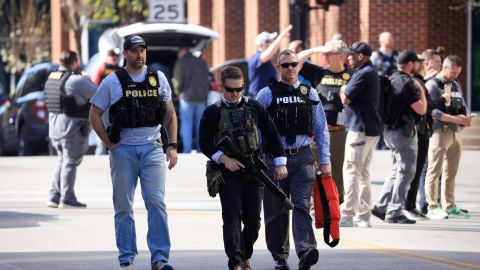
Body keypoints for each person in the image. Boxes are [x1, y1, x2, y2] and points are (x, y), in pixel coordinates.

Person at [89, 35, 178, 270]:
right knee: (123, 206)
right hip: (123, 151)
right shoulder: (113, 81)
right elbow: (94, 114)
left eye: (143, 50)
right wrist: (109, 144)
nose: (140, 54)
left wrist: (172, 145)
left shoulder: (157, 78)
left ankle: (160, 258)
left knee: (156, 202)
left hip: (153, 149)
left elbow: (169, 114)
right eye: (135, 50)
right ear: (125, 53)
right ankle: (126, 257)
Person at [199, 66, 287, 270]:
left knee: (254, 222)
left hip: (254, 171)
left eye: (239, 89)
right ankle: (236, 262)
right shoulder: (212, 112)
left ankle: (245, 254)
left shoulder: (254, 107)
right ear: (222, 87)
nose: (235, 94)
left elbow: (272, 134)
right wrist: (223, 159)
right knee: (231, 218)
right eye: (231, 90)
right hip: (227, 173)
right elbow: (204, 142)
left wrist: (280, 162)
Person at [257, 49, 331, 270]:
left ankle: (306, 250)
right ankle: (280, 257)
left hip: (302, 157)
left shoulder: (309, 93)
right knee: (276, 210)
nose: (290, 68)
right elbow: (258, 130)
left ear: (299, 66)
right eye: (285, 65)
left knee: (301, 205)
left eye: (294, 64)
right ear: (278, 68)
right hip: (273, 159)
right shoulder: (266, 94)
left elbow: (321, 128)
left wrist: (325, 160)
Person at [371, 50, 427, 224]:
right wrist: (421, 90)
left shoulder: (391, 77)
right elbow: (421, 109)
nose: (418, 65)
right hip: (402, 132)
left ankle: (380, 206)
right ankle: (395, 211)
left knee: (397, 170)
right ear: (410, 64)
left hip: (389, 131)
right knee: (406, 171)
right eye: (417, 62)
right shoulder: (408, 84)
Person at [45, 50, 97, 209]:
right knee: (70, 161)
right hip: (71, 129)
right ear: (74, 62)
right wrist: (87, 79)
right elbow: (98, 92)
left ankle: (54, 196)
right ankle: (67, 198)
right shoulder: (76, 81)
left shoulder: (52, 77)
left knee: (62, 160)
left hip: (54, 128)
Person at [339, 41, 382, 227]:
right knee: (363, 173)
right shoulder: (371, 72)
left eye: (351, 54)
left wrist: (342, 89)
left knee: (351, 171)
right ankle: (363, 215)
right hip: (370, 130)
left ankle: (347, 215)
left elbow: (346, 97)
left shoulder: (363, 73)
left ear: (360, 57)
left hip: (359, 130)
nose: (348, 57)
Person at [424, 55, 472, 219]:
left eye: (458, 73)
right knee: (434, 170)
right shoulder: (432, 84)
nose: (455, 76)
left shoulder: (455, 84)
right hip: (440, 130)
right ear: (444, 68)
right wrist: (455, 119)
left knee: (451, 171)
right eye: (453, 72)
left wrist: (465, 118)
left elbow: (462, 104)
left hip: (456, 132)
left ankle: (449, 205)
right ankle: (432, 206)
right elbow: (432, 111)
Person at [172, 46, 210, 153]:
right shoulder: (202, 62)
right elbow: (207, 79)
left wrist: (177, 93)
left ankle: (187, 151)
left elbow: (177, 81)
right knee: (200, 126)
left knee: (186, 126)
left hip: (187, 98)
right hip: (202, 99)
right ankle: (201, 150)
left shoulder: (181, 62)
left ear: (182, 51)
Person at [247, 24, 292, 98]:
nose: (273, 43)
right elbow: (270, 52)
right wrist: (282, 36)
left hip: (267, 96)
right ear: (265, 43)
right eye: (271, 41)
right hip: (258, 97)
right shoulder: (255, 58)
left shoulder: (264, 59)